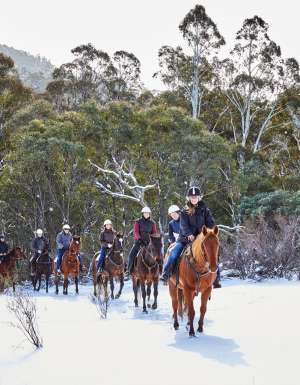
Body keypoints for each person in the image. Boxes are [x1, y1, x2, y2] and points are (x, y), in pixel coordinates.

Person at [161, 186, 216, 283]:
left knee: (213, 251)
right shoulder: (184, 211)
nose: (194, 199)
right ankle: (166, 273)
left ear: (199, 198)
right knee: (174, 253)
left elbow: (210, 223)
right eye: (192, 197)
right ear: (189, 198)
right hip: (185, 239)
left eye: (195, 197)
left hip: (201, 239)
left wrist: (209, 232)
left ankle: (215, 277)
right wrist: (189, 234)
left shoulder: (205, 210)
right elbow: (183, 225)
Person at [127, 207, 158, 274]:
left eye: (148, 213)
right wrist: (139, 239)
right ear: (142, 213)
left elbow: (154, 233)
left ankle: (159, 270)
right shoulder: (138, 222)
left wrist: (153, 241)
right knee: (131, 254)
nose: (146, 214)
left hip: (149, 243)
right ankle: (128, 270)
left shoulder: (152, 223)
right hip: (139, 242)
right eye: (145, 213)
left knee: (157, 253)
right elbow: (136, 232)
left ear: (149, 214)